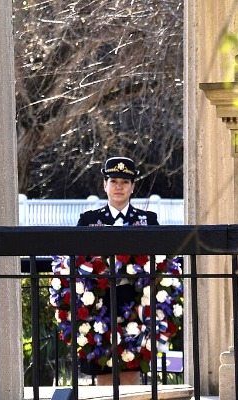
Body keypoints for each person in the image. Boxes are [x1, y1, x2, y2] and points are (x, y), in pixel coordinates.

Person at [77, 156, 159, 385]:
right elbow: (76, 262)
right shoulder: (89, 220)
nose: (119, 186)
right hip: (99, 307)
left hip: (134, 307)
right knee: (103, 376)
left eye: (125, 181)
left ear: (133, 186)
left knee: (132, 371)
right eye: (114, 180)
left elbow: (159, 264)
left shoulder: (148, 220)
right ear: (105, 185)